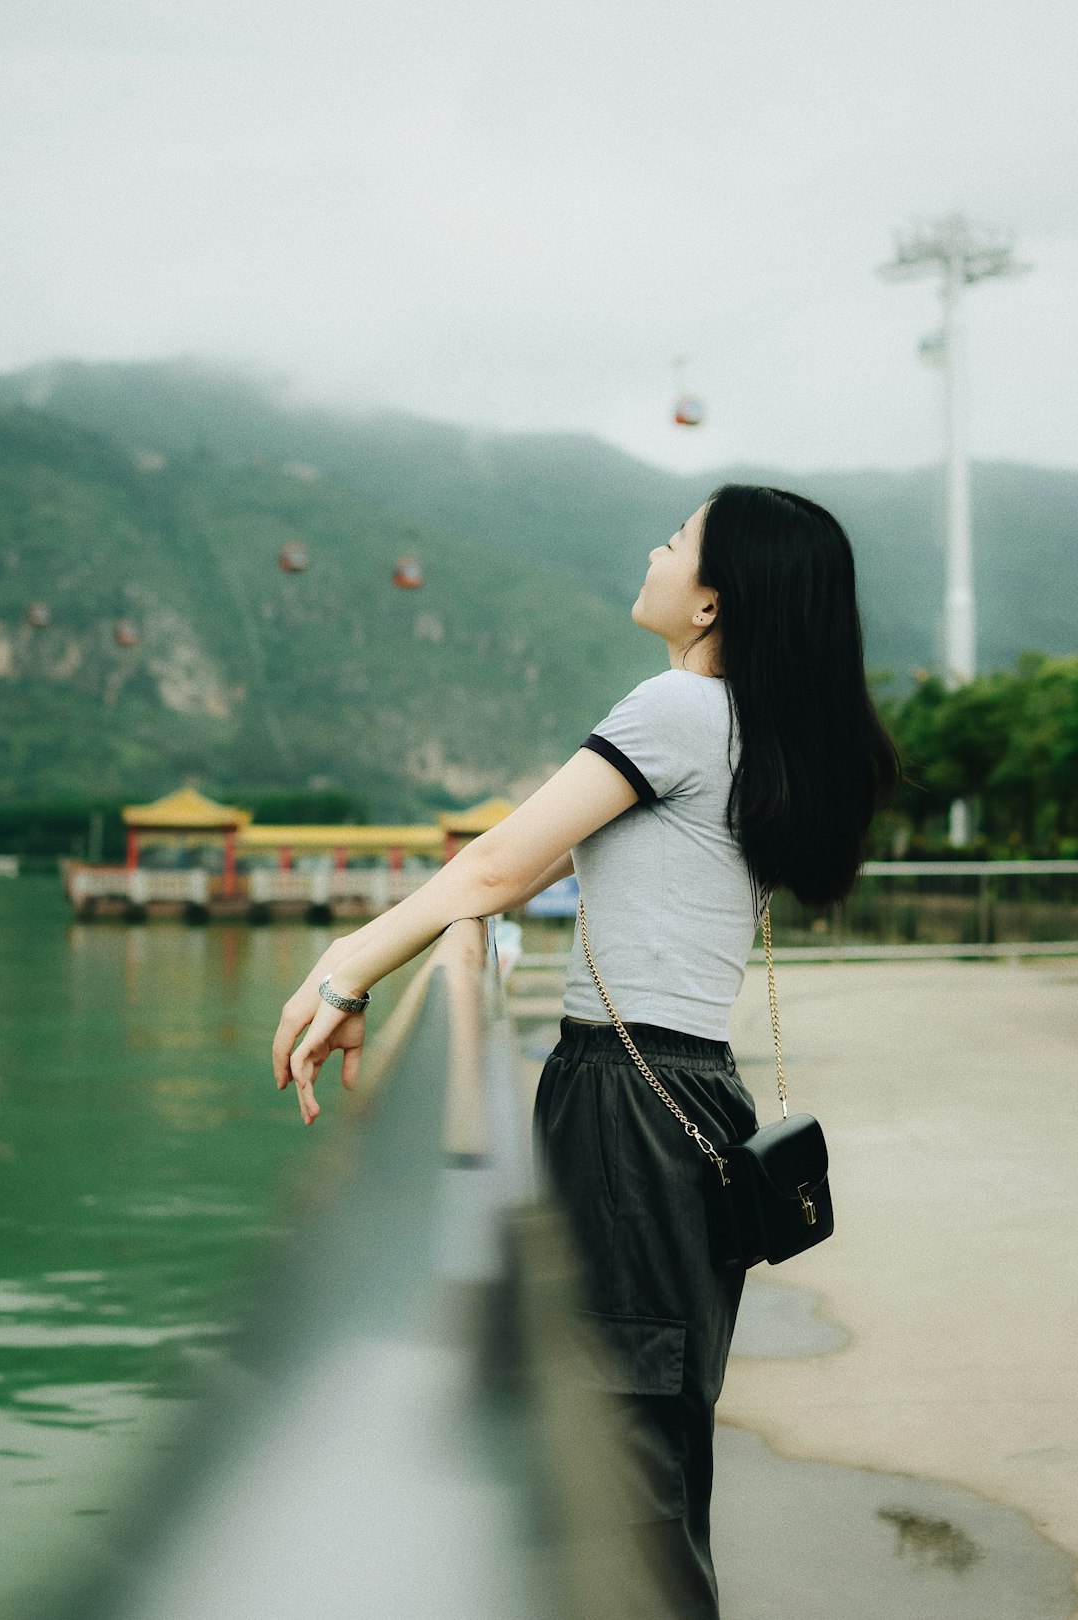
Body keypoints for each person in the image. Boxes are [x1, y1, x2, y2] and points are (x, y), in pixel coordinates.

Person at [272, 484, 901, 1616]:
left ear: (712, 601)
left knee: (627, 1468)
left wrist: (345, 968)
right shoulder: (741, 728)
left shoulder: (678, 709)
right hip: (683, 1097)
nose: (654, 547)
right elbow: (551, 861)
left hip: (630, 1101)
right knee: (643, 1443)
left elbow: (498, 868)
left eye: (677, 538)